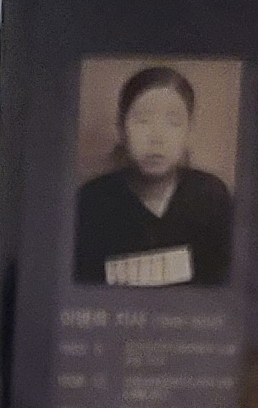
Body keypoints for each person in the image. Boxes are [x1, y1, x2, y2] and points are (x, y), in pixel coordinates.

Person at [68, 65, 236, 289]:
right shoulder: (91, 201)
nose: (157, 138)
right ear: (121, 128)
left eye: (173, 122)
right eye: (143, 120)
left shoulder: (212, 197)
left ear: (189, 131)